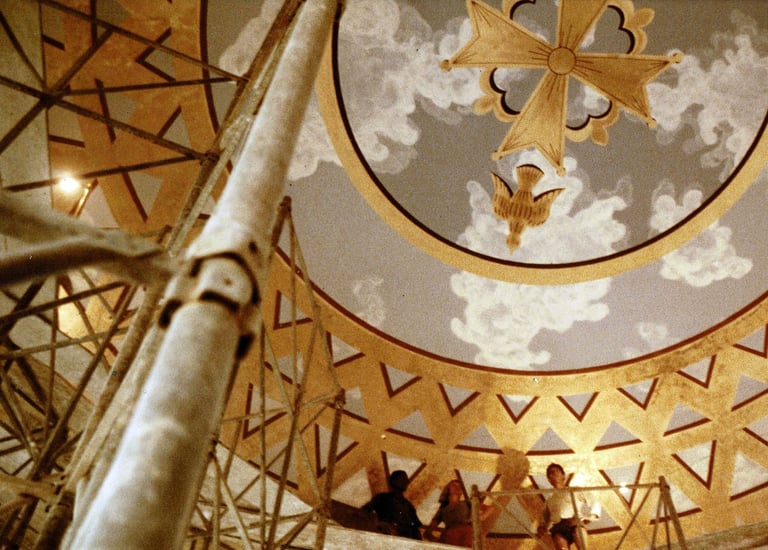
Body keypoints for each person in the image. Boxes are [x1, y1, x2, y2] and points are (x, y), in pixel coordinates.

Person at [537, 463, 600, 550]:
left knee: (580, 539)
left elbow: (593, 499)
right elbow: (544, 519)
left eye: (556, 471)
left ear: (563, 475)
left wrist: (592, 516)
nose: (554, 474)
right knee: (560, 543)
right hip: (558, 526)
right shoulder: (549, 500)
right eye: (551, 473)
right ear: (549, 479)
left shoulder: (575, 490)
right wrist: (542, 528)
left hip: (575, 522)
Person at [424, 479, 493, 547]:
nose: (457, 488)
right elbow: (428, 532)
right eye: (454, 485)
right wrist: (439, 543)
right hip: (449, 540)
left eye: (460, 487)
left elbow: (490, 508)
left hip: (466, 537)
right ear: (448, 489)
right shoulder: (442, 510)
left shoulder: (467, 503)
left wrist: (477, 518)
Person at [362, 470, 422, 539]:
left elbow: (415, 524)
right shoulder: (382, 498)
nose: (406, 481)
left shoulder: (408, 505)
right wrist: (378, 524)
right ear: (394, 481)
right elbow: (364, 512)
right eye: (402, 479)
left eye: (406, 479)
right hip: (387, 537)